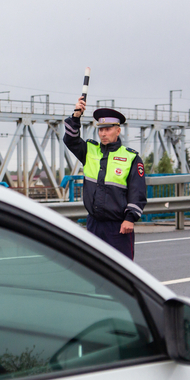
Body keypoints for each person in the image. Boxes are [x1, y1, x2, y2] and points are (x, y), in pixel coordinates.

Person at [63, 97, 147, 260]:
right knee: (97, 271)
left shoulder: (131, 158)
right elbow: (70, 140)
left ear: (118, 130)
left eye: (108, 129)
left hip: (119, 227)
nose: (103, 133)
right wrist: (76, 116)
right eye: (101, 129)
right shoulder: (90, 150)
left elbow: (137, 192)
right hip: (94, 224)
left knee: (121, 272)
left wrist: (130, 219)